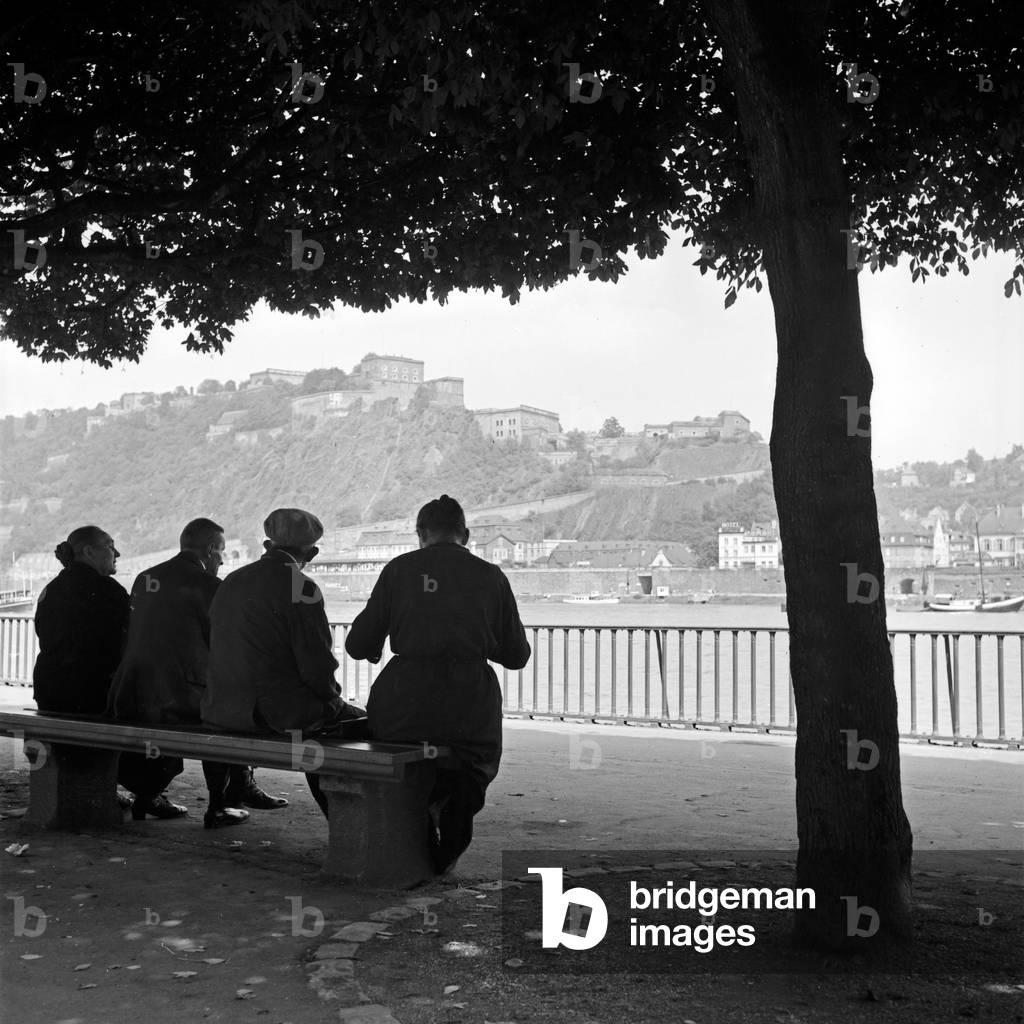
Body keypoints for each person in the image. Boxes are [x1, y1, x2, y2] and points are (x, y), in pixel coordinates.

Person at [345, 494, 531, 874]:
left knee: (402, 755)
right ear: (466, 533)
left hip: (404, 701)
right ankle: (454, 818)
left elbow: (358, 644)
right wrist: (474, 642)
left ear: (420, 534)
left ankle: (418, 820)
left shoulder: (398, 570)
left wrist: (388, 645)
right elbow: (517, 655)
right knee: (471, 763)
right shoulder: (491, 575)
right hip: (469, 703)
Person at [106, 518, 287, 829]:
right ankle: (220, 804)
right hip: (180, 696)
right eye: (221, 552)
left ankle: (151, 794)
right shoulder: (210, 586)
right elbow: (224, 643)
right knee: (225, 715)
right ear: (209, 549)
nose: (221, 559)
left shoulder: (145, 577)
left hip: (131, 690)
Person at [201, 508, 363, 815]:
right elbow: (317, 666)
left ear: (267, 546)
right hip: (272, 714)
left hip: (220, 708)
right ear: (312, 553)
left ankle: (226, 798)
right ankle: (345, 821)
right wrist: (334, 700)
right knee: (354, 724)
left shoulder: (231, 581)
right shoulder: (301, 587)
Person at [32, 526, 186, 819]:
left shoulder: (51, 589)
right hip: (94, 696)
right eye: (110, 546)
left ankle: (128, 789)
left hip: (51, 692)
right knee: (165, 728)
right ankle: (149, 794)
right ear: (89, 552)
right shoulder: (107, 591)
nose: (117, 553)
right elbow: (130, 646)